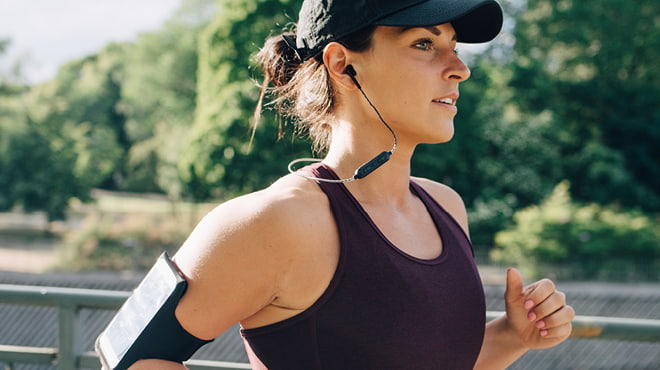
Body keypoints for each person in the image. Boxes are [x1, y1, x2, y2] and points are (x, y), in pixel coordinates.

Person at [128, 0, 575, 368]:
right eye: (425, 43)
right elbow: (132, 358)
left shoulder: (446, 206)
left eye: (455, 46)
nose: (459, 68)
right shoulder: (276, 221)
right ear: (342, 64)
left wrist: (513, 336)